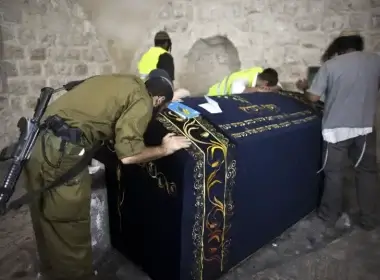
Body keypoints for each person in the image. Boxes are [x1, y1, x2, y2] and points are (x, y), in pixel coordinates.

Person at [25, 69, 191, 280]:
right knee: (68, 223)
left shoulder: (123, 81)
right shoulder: (142, 100)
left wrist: (170, 96)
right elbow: (129, 156)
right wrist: (165, 149)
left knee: (44, 213)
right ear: (157, 99)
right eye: (162, 105)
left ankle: (50, 272)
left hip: (35, 142)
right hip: (60, 153)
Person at [295, 31, 380, 231]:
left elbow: (314, 98)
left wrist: (304, 88)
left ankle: (328, 216)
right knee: (367, 172)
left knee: (334, 173)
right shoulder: (375, 61)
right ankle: (369, 218)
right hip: (365, 127)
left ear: (339, 47)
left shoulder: (331, 65)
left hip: (336, 129)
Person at [207, 67, 282, 96]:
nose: (267, 89)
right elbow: (236, 91)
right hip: (215, 95)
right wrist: (258, 89)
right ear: (265, 83)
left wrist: (271, 89)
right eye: (267, 88)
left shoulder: (260, 71)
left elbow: (279, 85)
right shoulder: (242, 79)